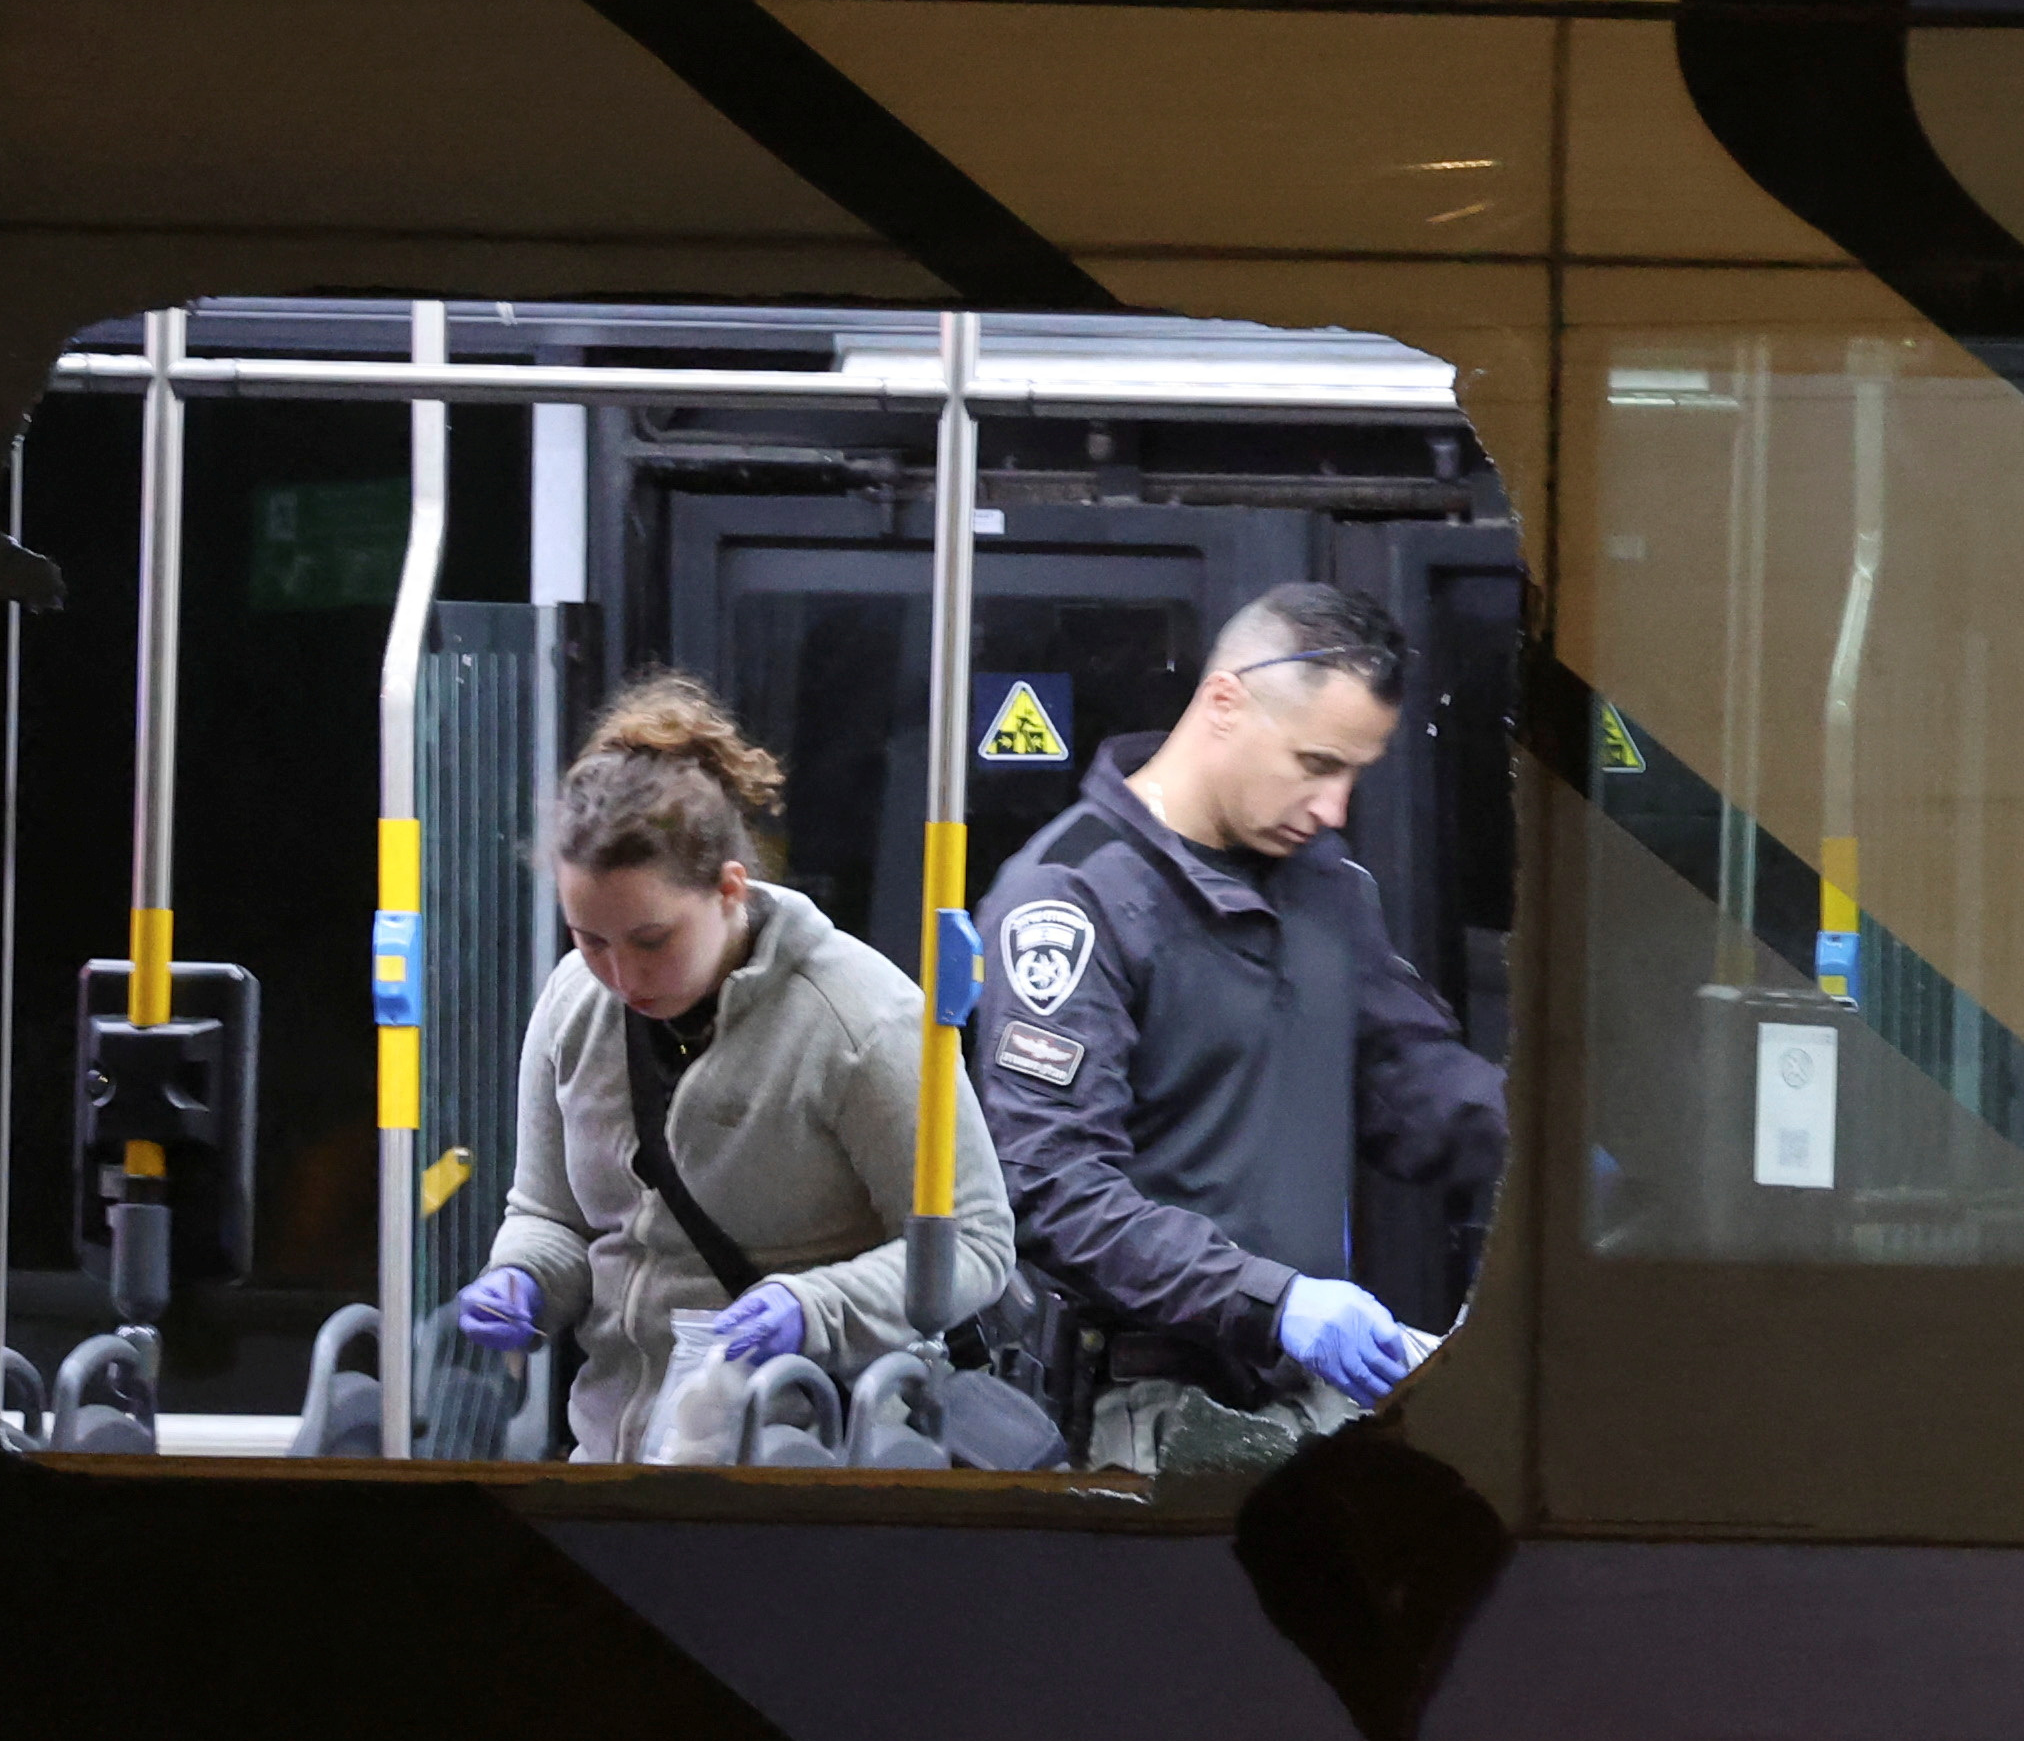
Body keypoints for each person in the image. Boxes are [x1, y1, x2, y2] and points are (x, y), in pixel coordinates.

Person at [969, 582, 1507, 1476]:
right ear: (1225, 703)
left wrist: (1563, 1157)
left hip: (1304, 1393)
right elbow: (1056, 1188)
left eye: (1354, 774)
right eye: (1315, 764)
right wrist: (1276, 1301)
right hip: (1144, 1411)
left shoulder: (1325, 891)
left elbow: (1410, 1084)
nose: (1334, 807)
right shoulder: (1074, 898)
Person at [447, 676, 1017, 1461]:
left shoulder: (859, 1019)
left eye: (651, 940)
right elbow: (552, 1216)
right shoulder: (574, 1003)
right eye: (590, 939)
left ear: (729, 890)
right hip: (615, 1458)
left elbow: (978, 1244)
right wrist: (522, 1279)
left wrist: (811, 1307)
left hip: (808, 1456)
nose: (621, 975)